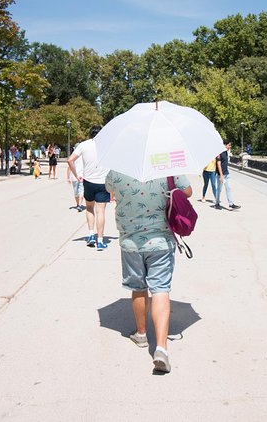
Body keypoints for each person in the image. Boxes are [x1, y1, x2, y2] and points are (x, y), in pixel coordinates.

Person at [105, 170, 192, 373]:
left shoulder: (117, 170)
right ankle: (161, 348)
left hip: (130, 242)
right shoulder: (168, 167)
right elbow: (188, 191)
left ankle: (142, 334)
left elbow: (109, 189)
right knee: (160, 289)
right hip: (161, 241)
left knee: (138, 287)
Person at [67, 127, 110, 250]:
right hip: (103, 182)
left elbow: (70, 160)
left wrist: (76, 175)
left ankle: (91, 235)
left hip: (88, 181)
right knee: (100, 211)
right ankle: (100, 241)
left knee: (90, 208)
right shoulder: (107, 145)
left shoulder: (84, 145)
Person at [214, 139, 241, 210]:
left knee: (228, 188)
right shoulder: (219, 153)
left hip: (227, 174)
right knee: (219, 189)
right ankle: (216, 203)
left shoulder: (226, 152)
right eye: (229, 145)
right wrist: (221, 175)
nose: (230, 146)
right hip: (221, 174)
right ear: (225, 145)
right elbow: (218, 164)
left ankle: (231, 204)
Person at [66, 146, 84, 211]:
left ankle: (78, 204)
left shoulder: (72, 157)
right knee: (81, 191)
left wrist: (68, 177)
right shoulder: (83, 157)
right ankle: (79, 204)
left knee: (76, 192)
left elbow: (69, 168)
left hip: (74, 177)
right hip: (82, 176)